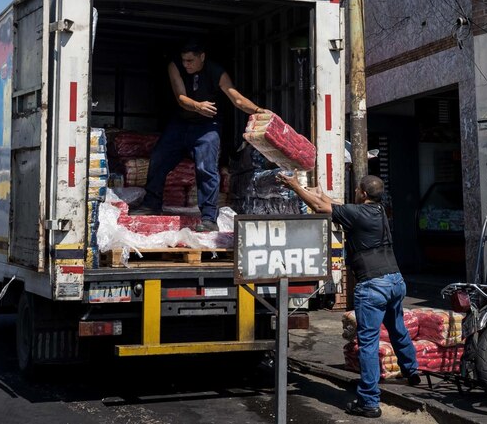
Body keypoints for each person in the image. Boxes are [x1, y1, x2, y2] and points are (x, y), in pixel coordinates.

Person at [277, 173, 420, 418]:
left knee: (368, 344)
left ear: (363, 193)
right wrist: (316, 190)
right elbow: (332, 203)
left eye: (357, 189)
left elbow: (320, 207)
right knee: (397, 329)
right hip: (395, 280)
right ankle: (412, 371)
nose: (354, 192)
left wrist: (293, 186)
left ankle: (369, 402)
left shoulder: (357, 213)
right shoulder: (378, 210)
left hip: (373, 285)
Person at [137, 41, 265, 231]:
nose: (186, 64)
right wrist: (197, 106)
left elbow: (236, 99)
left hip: (207, 126)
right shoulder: (175, 66)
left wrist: (258, 110)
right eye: (184, 60)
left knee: (206, 168)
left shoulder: (217, 72)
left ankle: (209, 218)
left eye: (190, 60)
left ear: (202, 57)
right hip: (181, 123)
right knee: (158, 158)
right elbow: (180, 97)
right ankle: (151, 204)